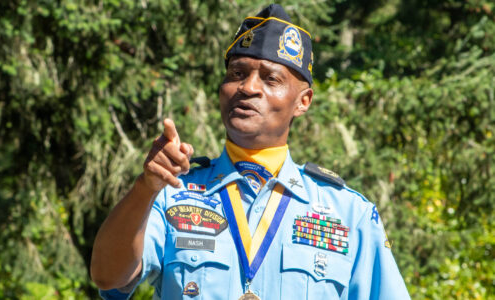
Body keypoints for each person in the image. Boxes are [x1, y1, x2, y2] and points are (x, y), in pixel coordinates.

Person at [90, 4, 411, 300]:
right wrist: (144, 188)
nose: (248, 87)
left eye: (271, 78)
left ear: (304, 101)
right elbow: (107, 276)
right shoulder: (173, 193)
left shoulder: (348, 213)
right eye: (237, 74)